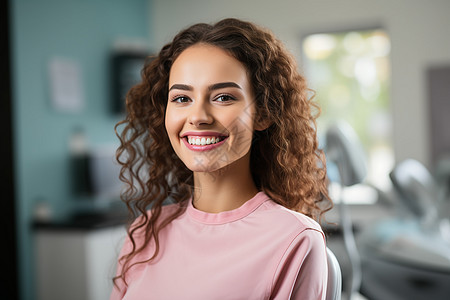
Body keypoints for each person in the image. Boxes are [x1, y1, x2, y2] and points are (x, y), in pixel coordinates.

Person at [110, 18, 332, 300]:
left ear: (262, 114)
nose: (199, 116)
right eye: (181, 98)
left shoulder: (295, 239)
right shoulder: (145, 231)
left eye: (224, 97)